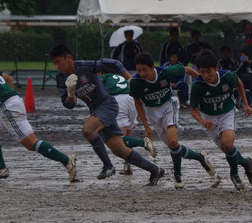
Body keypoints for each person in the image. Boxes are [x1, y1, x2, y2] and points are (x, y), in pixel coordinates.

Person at [49, 45, 165, 185]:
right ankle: (155, 170)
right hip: (96, 111)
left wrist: (131, 82)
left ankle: (108, 166)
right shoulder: (61, 78)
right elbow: (69, 105)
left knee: (87, 130)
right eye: (54, 63)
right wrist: (70, 93)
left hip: (108, 105)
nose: (57, 66)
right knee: (119, 150)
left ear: (68, 58)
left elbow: (115, 64)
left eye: (58, 61)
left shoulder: (85, 66)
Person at [0, 66, 77, 182]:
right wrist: (9, 96)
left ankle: (66, 160)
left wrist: (7, 100)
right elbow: (8, 79)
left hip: (8, 107)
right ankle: (1, 169)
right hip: (9, 104)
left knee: (30, 143)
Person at [130, 52, 215, 189]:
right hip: (153, 114)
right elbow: (138, 102)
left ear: (152, 67)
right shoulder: (135, 82)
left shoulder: (166, 72)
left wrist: (200, 79)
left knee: (173, 141)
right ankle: (201, 158)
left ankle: (178, 177)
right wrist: (146, 126)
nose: (142, 73)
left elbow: (186, 70)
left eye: (144, 69)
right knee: (174, 147)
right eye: (139, 70)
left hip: (170, 106)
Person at [189, 49, 252, 190]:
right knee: (228, 150)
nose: (205, 75)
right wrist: (202, 121)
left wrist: (245, 104)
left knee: (227, 143)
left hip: (227, 113)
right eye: (202, 72)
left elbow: (239, 83)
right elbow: (193, 110)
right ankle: (245, 163)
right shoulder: (197, 86)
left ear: (216, 68)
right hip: (209, 119)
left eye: (209, 71)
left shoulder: (228, 76)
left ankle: (234, 174)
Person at [100, 72, 156, 175]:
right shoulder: (120, 76)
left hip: (118, 101)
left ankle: (143, 143)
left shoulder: (103, 77)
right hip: (131, 99)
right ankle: (127, 166)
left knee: (119, 140)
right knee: (128, 135)